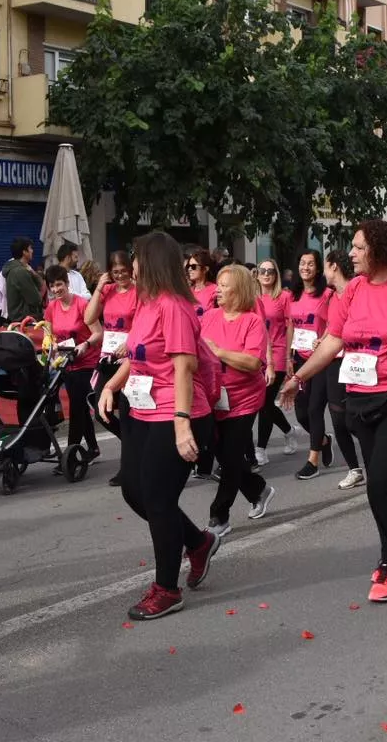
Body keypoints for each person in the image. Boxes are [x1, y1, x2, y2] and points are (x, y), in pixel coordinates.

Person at [279, 220, 387, 603]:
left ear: (378, 250)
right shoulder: (353, 290)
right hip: (362, 396)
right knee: (380, 482)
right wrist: (300, 377)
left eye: (358, 247)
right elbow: (334, 340)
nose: (351, 254)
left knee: (381, 477)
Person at [97, 232, 221, 621]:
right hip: (142, 408)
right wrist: (112, 386)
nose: (130, 267)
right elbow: (137, 356)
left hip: (177, 411)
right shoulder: (146, 304)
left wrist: (183, 425)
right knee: (135, 491)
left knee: (158, 498)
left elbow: (184, 366)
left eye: (134, 259)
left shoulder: (175, 307)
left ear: (149, 262)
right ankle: (198, 542)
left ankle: (167, 589)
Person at [200, 264, 274, 536]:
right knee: (221, 452)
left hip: (243, 399)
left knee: (230, 459)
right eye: (217, 284)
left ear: (239, 290)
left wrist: (218, 351)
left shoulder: (252, 321)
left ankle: (219, 516)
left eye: (224, 285)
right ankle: (258, 489)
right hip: (212, 398)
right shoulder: (208, 317)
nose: (217, 290)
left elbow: (253, 362)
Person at [86, 250, 137, 488]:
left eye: (123, 271)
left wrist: (130, 343)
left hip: (130, 358)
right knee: (101, 411)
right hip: (108, 356)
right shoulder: (108, 291)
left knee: (127, 414)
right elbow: (89, 317)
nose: (119, 276)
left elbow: (146, 321)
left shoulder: (140, 292)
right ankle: (133, 445)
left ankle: (128, 469)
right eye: (115, 272)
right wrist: (99, 287)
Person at [44, 264, 102, 460]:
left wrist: (85, 344)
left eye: (59, 284)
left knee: (77, 407)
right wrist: (52, 353)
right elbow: (50, 336)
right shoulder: (51, 307)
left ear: (67, 283)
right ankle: (92, 448)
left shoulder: (82, 305)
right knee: (80, 406)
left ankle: (70, 455)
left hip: (87, 361)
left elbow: (98, 333)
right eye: (52, 286)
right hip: (66, 362)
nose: (56, 289)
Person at [286, 250, 332, 478]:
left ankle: (312, 460)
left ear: (318, 268)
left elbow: (336, 324)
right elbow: (290, 327)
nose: (305, 267)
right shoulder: (291, 296)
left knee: (315, 409)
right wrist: (287, 357)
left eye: (310, 264)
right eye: (302, 263)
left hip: (321, 359)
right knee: (301, 413)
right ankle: (323, 440)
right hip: (299, 358)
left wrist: (322, 340)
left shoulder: (327, 295)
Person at [323, 249, 365, 490]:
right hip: (334, 361)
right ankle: (354, 469)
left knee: (356, 418)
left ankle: (379, 455)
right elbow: (332, 326)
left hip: (358, 361)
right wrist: (323, 339)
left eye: (326, 267)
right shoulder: (331, 296)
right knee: (338, 420)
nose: (324, 273)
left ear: (334, 267)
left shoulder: (356, 290)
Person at [253, 259, 293, 467]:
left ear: (276, 274)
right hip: (257, 354)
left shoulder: (284, 296)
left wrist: (288, 357)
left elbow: (289, 327)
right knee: (263, 403)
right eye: (263, 270)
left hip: (277, 353)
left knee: (265, 402)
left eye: (271, 271)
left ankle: (261, 449)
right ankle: (288, 430)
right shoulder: (252, 297)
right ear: (257, 274)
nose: (266, 274)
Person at [2, 238, 44, 324]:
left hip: (21, 318)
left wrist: (32, 271)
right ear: (24, 252)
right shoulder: (20, 272)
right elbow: (35, 299)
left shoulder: (19, 269)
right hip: (25, 320)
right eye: (30, 248)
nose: (32, 251)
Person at [185, 248, 217, 318]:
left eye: (193, 266)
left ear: (205, 269)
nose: (190, 269)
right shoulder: (188, 291)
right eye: (188, 266)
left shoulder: (215, 290)